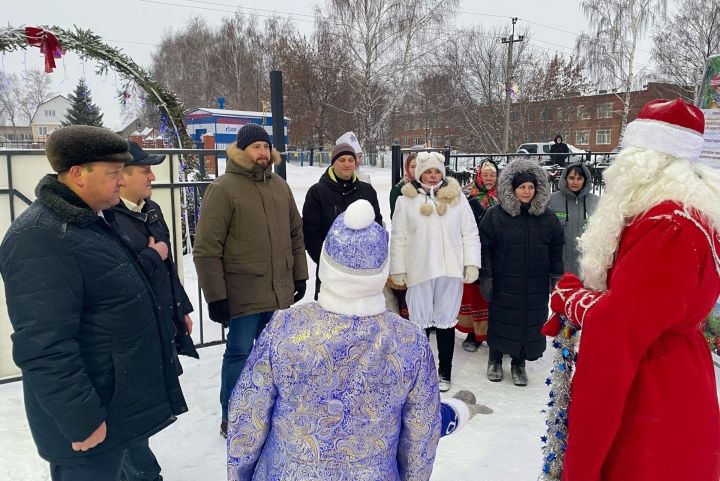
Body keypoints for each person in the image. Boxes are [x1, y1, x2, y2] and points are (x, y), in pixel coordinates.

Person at [227, 200, 490, 481]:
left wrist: (239, 475)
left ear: (327, 264)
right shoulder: (408, 341)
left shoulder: (285, 327)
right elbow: (421, 431)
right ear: (380, 272)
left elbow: (247, 414)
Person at [542, 98, 720, 481]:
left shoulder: (669, 227)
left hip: (651, 394)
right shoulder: (682, 214)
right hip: (673, 378)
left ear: (641, 161)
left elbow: (619, 333)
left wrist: (574, 300)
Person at [0, 126, 187, 481]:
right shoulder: (41, 237)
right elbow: (45, 346)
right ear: (77, 175)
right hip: (88, 428)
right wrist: (82, 421)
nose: (121, 182)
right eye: (113, 174)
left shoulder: (93, 222)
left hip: (113, 407)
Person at [193, 123, 308, 437]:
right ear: (240, 151)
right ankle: (232, 416)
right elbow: (206, 249)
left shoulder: (280, 187)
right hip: (243, 294)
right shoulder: (223, 189)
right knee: (239, 354)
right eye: (255, 147)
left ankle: (271, 411)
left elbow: (296, 234)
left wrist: (300, 274)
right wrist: (215, 297)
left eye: (265, 147)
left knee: (275, 355)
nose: (262, 153)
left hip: (278, 291)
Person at [112, 141, 199, 481]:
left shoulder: (151, 209)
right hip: (131, 333)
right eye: (144, 170)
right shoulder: (108, 218)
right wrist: (155, 252)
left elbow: (167, 268)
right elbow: (121, 276)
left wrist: (181, 310)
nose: (152, 175)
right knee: (132, 412)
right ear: (122, 176)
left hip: (158, 321)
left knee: (148, 405)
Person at [390, 152, 481, 392]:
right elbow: (398, 237)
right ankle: (419, 371)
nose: (432, 176)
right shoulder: (405, 201)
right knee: (418, 323)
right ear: (419, 174)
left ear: (443, 173)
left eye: (436, 172)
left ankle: (445, 371)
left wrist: (471, 263)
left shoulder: (457, 199)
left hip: (449, 271)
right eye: (427, 172)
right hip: (419, 270)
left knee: (445, 322)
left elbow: (469, 232)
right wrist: (398, 269)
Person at [478, 159, 563, 386]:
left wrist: (556, 276)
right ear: (512, 189)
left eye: (531, 187)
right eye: (522, 187)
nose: (526, 191)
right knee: (501, 319)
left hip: (535, 282)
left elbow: (556, 247)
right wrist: (486, 276)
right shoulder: (495, 215)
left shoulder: (547, 217)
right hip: (505, 280)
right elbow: (484, 247)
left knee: (529, 322)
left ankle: (519, 363)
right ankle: (494, 359)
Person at [302, 142, 382, 299]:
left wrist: (367, 262)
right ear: (333, 163)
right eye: (342, 160)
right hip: (331, 274)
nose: (347, 164)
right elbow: (311, 234)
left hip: (363, 274)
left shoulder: (367, 191)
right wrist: (329, 265)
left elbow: (377, 228)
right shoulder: (317, 192)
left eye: (350, 160)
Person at [456, 159, 500, 351]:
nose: (489, 178)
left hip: (498, 252)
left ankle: (494, 332)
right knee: (474, 293)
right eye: (485, 175)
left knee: (494, 294)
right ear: (478, 176)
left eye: (492, 175)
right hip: (474, 250)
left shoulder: (505, 194)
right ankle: (473, 333)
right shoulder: (468, 194)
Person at [547, 162, 599, 276]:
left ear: (585, 180)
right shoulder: (552, 200)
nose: (575, 182)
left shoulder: (596, 202)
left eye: (579, 178)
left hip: (586, 269)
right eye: (571, 178)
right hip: (560, 266)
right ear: (565, 179)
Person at [389, 151, 417, 218]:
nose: (416, 170)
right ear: (407, 168)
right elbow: (395, 217)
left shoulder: (429, 186)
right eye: (412, 167)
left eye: (419, 166)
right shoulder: (398, 189)